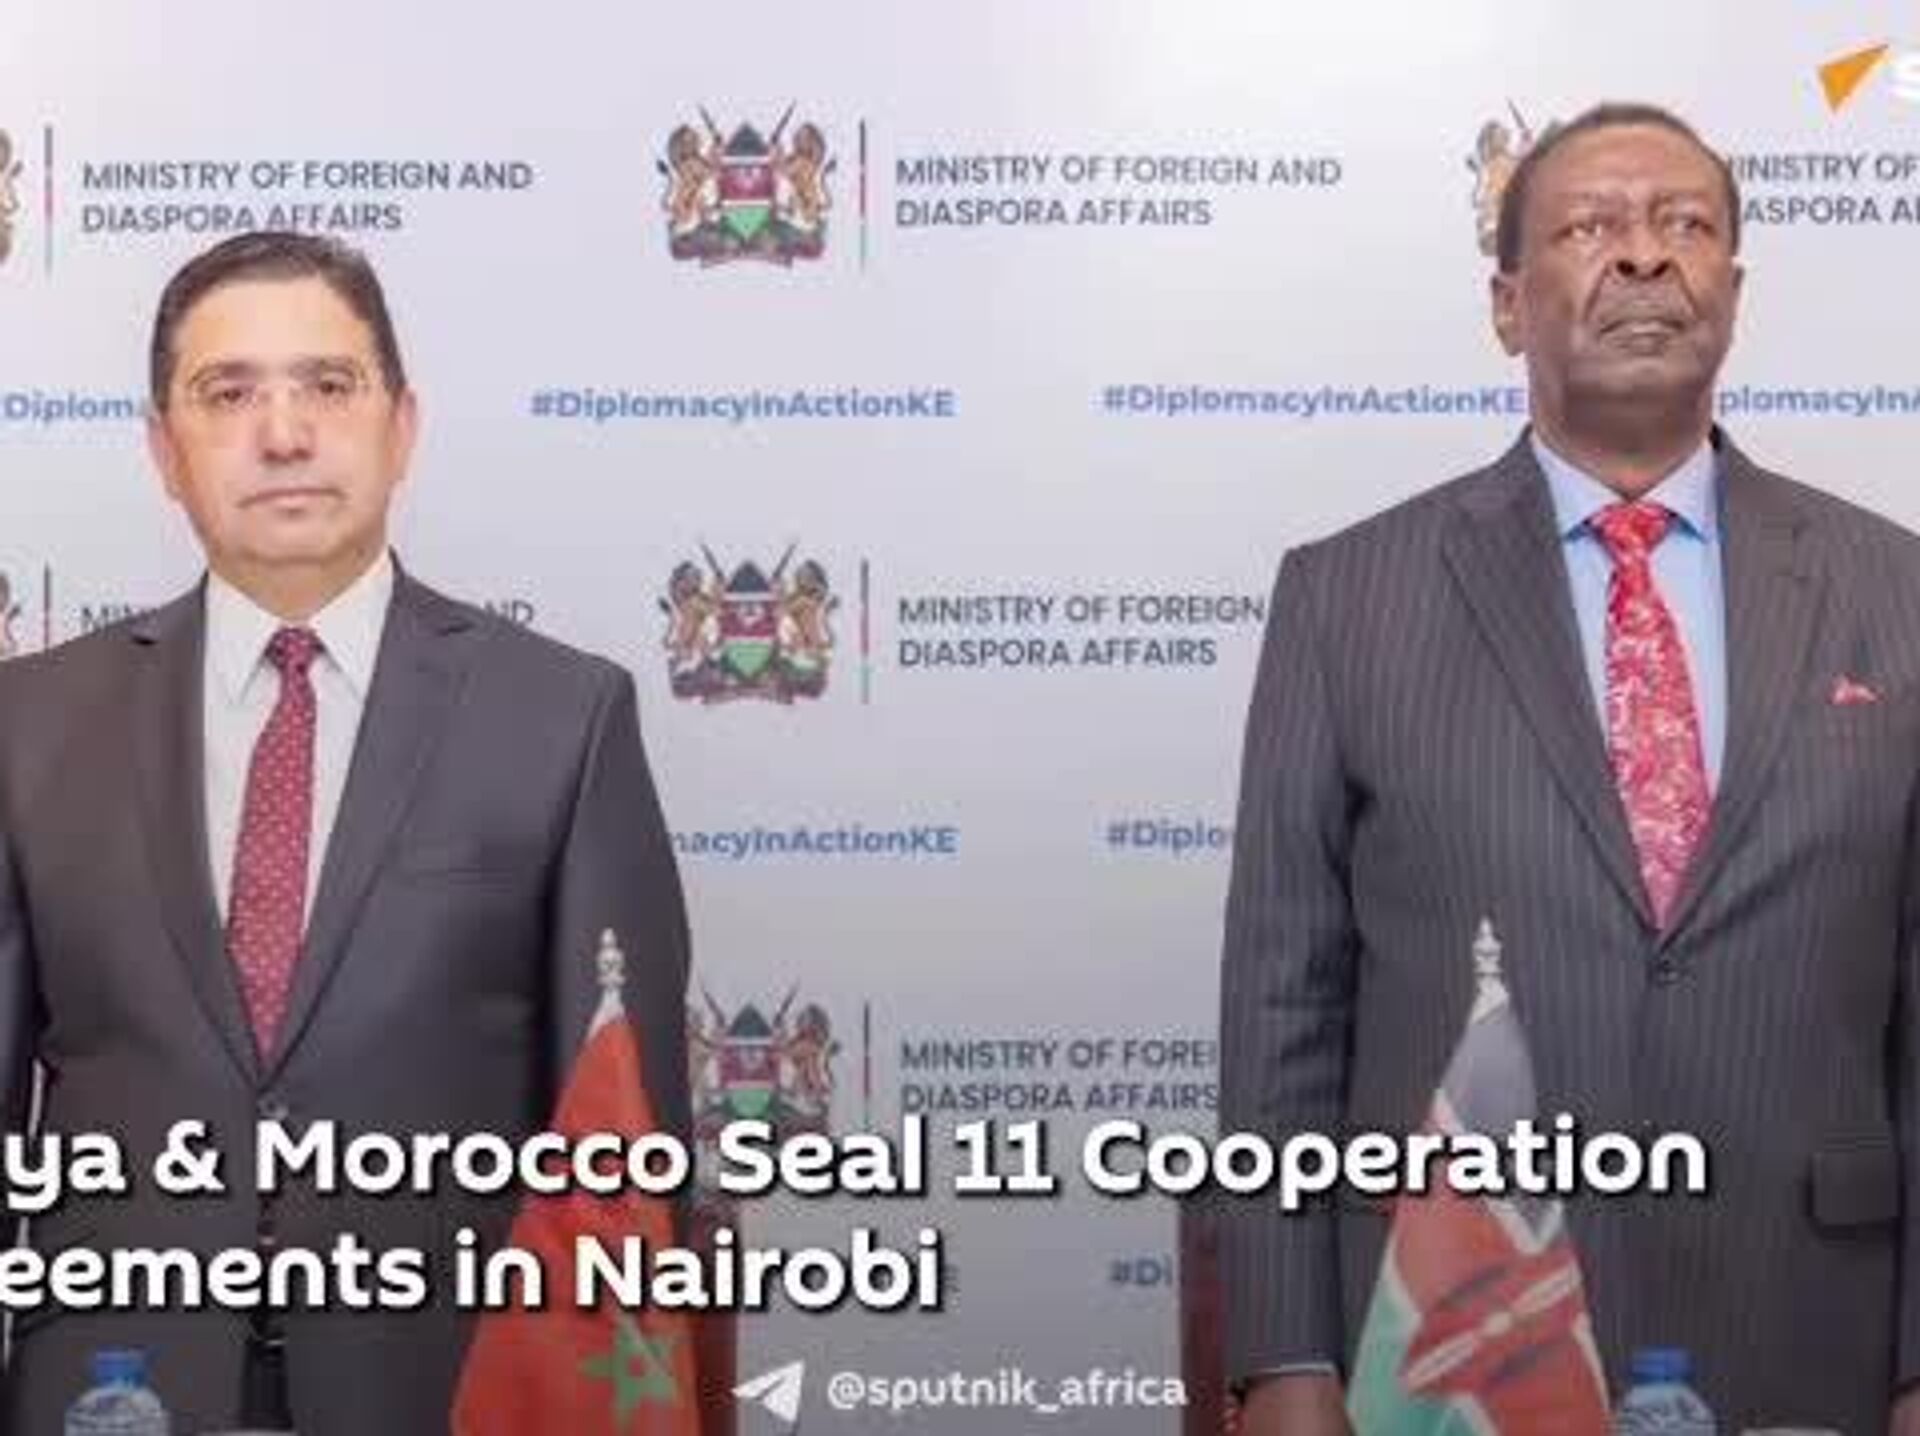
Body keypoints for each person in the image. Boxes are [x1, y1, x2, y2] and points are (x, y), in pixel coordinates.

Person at [1218, 102, 1920, 1434]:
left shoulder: (1898, 592)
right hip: (1455, 1338)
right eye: (1593, 227)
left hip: (1812, 1322)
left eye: (1685, 224)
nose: (1645, 254)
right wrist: (1283, 1356)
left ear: (1733, 293)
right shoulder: (1347, 599)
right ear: (1505, 306)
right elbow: (1280, 1005)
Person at [0, 231, 692, 1433]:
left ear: (402, 425)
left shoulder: (562, 717)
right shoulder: (29, 721)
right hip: (112, 1388)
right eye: (229, 393)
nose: (284, 433)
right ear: (163, 450)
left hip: (450, 1389)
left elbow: (621, 1149)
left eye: (328, 383)